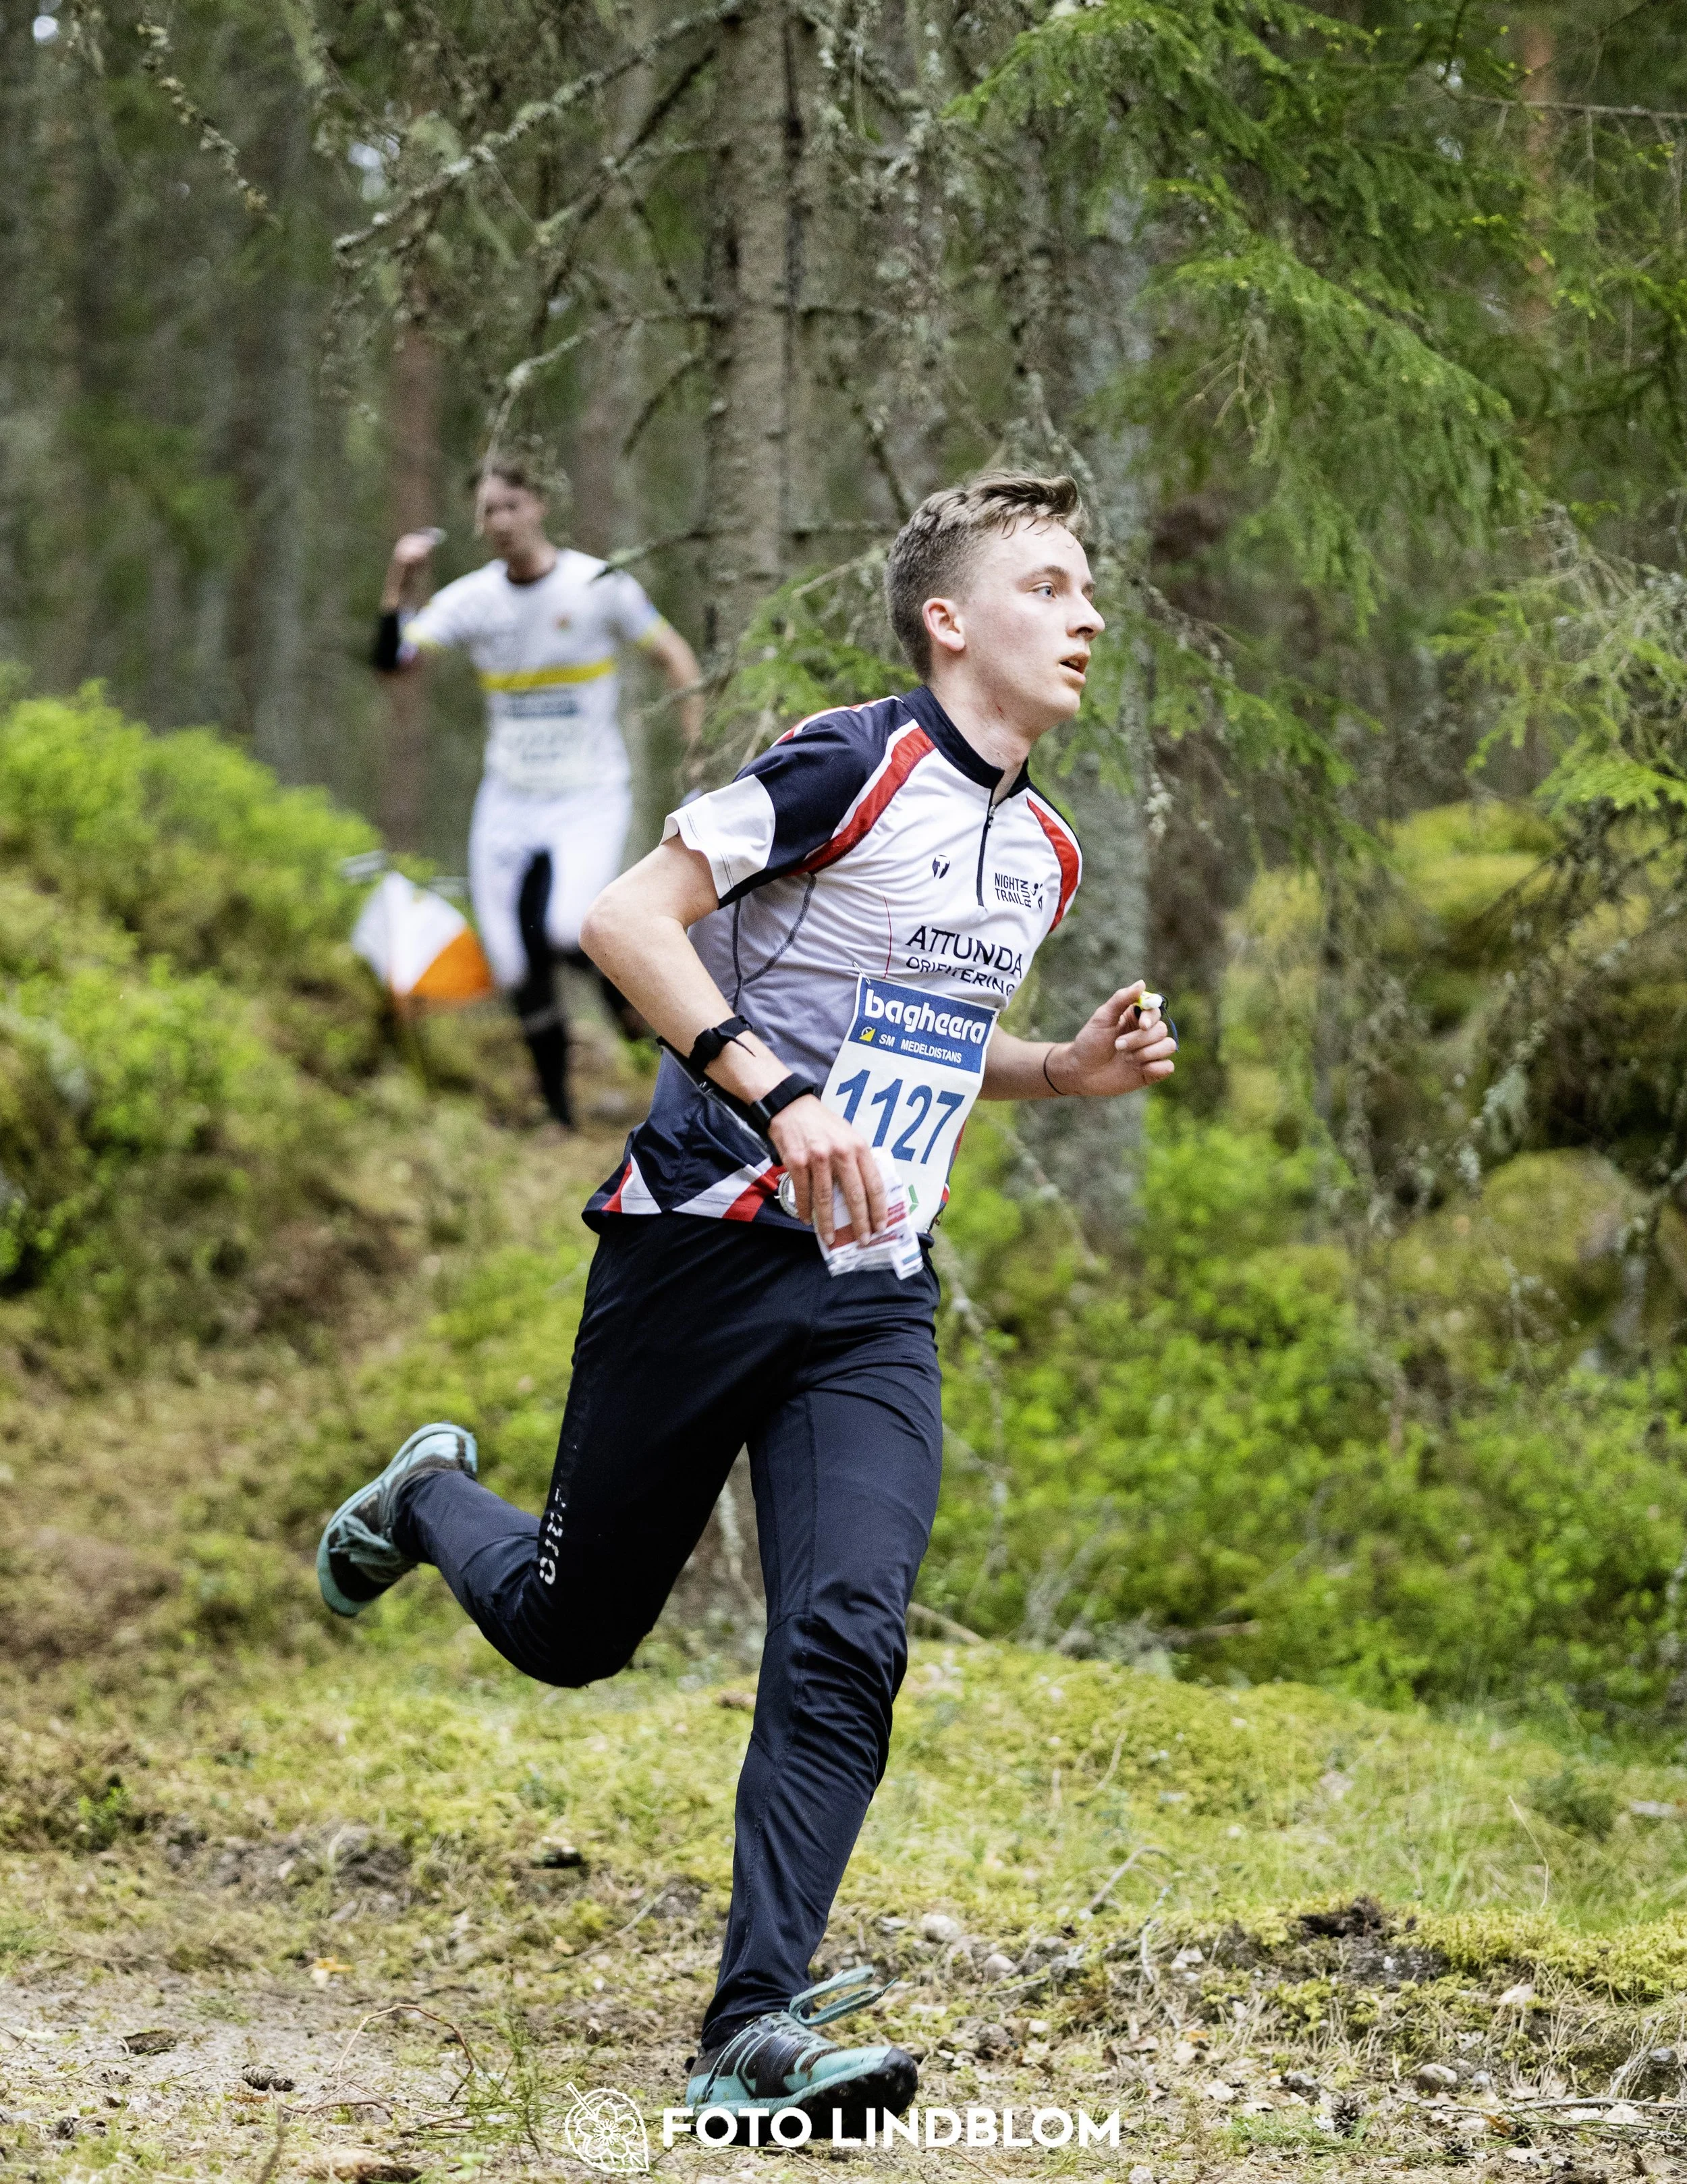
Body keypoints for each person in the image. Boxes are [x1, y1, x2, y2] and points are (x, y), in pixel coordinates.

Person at [324, 472, 1176, 2135]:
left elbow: (912, 1046)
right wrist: (773, 1095)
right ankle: (428, 1495)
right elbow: (625, 918)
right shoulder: (847, 764)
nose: (1089, 616)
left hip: (867, 1294)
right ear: (952, 618)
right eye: (1054, 585)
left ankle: (753, 2023)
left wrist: (1061, 1070)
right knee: (579, 1629)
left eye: (1094, 593)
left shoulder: (1046, 853)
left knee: (848, 1626)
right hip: (698, 1247)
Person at [373, 454, 704, 1125]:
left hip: (587, 790)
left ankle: (650, 1029)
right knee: (513, 960)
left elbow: (674, 655)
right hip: (509, 797)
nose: (499, 522)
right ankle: (559, 1115)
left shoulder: (596, 584)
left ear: (539, 506)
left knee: (566, 927)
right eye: (487, 511)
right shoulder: (473, 598)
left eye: (510, 506)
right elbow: (394, 662)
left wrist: (697, 757)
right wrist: (401, 580)